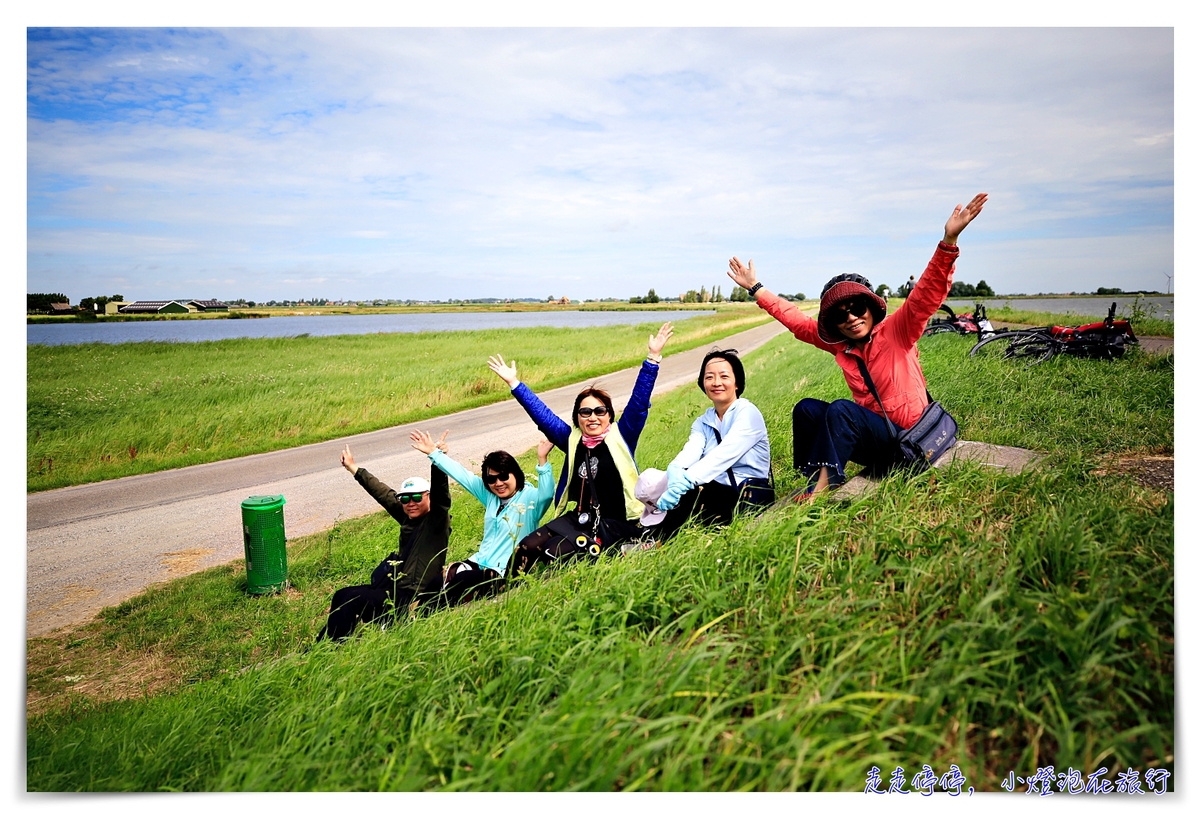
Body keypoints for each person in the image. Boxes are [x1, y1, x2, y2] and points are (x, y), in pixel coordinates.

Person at [726, 193, 988, 496]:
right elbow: (795, 319)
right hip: (880, 438)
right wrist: (756, 289)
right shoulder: (841, 345)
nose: (850, 318)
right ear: (834, 324)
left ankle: (819, 492)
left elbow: (927, 294)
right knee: (807, 409)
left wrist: (948, 241)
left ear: (871, 308)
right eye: (840, 315)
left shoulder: (897, 331)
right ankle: (814, 477)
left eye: (856, 308)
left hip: (910, 442)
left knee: (842, 410)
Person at [487, 322, 675, 568]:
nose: (593, 417)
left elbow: (639, 403)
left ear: (609, 414)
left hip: (615, 522)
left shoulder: (623, 436)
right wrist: (515, 384)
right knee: (527, 546)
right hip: (579, 518)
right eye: (585, 412)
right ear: (577, 417)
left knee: (553, 553)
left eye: (599, 410)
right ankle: (502, 588)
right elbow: (543, 416)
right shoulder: (573, 440)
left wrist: (653, 358)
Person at [317, 439, 451, 641]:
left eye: (417, 498)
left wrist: (437, 459)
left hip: (411, 597)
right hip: (393, 588)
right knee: (341, 595)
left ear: (428, 497)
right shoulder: (408, 516)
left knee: (350, 600)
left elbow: (441, 494)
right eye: (405, 499)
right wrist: (354, 468)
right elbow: (383, 493)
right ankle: (329, 643)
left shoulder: (436, 522)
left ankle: (334, 647)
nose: (410, 503)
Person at [411, 429, 555, 606]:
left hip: (503, 571)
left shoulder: (531, 499)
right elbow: (463, 476)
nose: (498, 483)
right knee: (438, 580)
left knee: (461, 581)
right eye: (491, 479)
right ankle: (410, 616)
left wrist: (542, 461)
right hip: (479, 561)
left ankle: (426, 614)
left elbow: (547, 494)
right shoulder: (490, 495)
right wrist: (434, 453)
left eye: (503, 476)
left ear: (515, 473)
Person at [649, 348, 772, 540]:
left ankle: (656, 541)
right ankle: (654, 538)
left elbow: (722, 456)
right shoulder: (703, 421)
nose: (716, 383)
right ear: (703, 384)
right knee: (682, 489)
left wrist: (686, 481)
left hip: (748, 492)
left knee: (689, 493)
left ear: (737, 383)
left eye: (724, 376)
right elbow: (691, 450)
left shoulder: (747, 413)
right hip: (719, 493)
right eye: (709, 377)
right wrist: (675, 469)